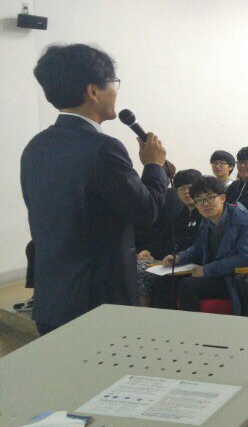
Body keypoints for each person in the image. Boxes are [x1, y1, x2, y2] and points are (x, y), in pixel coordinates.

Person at [22, 44, 169, 334]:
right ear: (93, 91)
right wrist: (154, 166)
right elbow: (147, 211)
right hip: (99, 303)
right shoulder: (103, 148)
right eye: (113, 83)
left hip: (53, 300)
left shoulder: (36, 147)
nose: (115, 92)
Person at [167, 177, 248, 313]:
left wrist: (206, 270)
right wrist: (179, 258)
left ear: (222, 198)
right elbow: (198, 248)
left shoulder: (243, 219)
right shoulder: (206, 220)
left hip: (233, 279)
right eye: (199, 200)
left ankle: (193, 326)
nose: (205, 204)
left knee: (187, 285)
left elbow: (246, 258)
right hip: (214, 276)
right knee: (166, 280)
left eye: (210, 198)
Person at [136, 169, 203, 308]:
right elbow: (164, 240)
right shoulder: (180, 216)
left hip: (187, 262)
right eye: (181, 188)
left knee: (143, 271)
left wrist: (172, 257)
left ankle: (142, 315)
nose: (186, 192)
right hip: (169, 259)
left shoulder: (205, 214)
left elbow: (196, 247)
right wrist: (149, 252)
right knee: (133, 265)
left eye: (190, 187)